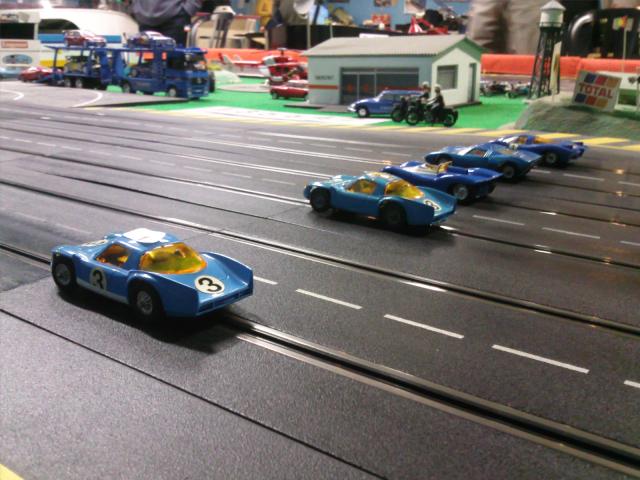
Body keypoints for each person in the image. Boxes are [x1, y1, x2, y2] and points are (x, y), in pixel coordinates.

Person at [132, 0, 203, 46]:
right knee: (147, 62)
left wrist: (189, 9)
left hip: (176, 17)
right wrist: (134, 8)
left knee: (174, 61)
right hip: (145, 19)